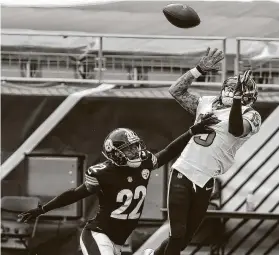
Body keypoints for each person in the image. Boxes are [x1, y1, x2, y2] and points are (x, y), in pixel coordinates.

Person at [18, 114, 219, 255]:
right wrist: (43, 209)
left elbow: (168, 152)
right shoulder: (103, 173)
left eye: (136, 147)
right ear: (116, 154)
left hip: (118, 242)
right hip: (98, 234)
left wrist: (192, 131)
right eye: (129, 149)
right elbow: (75, 193)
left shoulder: (145, 163)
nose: (136, 152)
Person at [144, 47, 261, 255]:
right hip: (184, 170)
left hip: (206, 179)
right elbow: (176, 91)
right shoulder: (206, 104)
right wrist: (198, 70)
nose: (230, 93)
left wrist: (235, 101)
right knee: (177, 234)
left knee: (184, 238)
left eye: (236, 92)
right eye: (230, 90)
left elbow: (235, 128)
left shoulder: (251, 115)